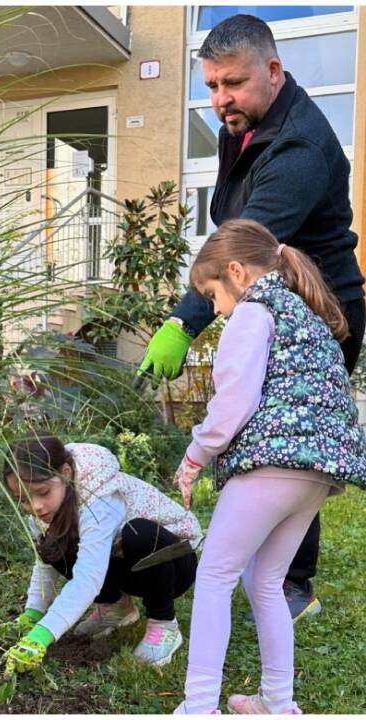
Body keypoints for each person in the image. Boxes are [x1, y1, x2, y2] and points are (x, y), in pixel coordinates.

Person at [139, 13, 365, 622]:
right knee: (266, 431)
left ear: (273, 71)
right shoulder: (242, 125)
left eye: (232, 84)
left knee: (294, 441)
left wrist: (184, 321)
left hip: (321, 313)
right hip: (270, 301)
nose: (220, 100)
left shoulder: (299, 145)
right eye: (210, 86)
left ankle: (292, 582)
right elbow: (230, 222)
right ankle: (271, 563)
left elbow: (253, 234)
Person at [172, 219, 366, 714]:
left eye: (212, 294)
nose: (214, 308)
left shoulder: (254, 312)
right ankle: (278, 703)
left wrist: (195, 455)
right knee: (266, 581)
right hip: (318, 472)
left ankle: (197, 707)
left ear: (237, 272)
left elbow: (234, 402)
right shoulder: (306, 313)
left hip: (273, 464)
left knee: (215, 574)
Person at [0, 433, 202, 675]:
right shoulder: (45, 512)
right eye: (23, 500)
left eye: (42, 492)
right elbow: (44, 564)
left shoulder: (101, 499)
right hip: (126, 565)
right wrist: (33, 614)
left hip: (172, 564)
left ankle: (163, 622)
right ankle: (117, 608)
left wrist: (44, 633)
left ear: (65, 473)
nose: (36, 506)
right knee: (51, 545)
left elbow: (89, 576)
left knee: (139, 532)